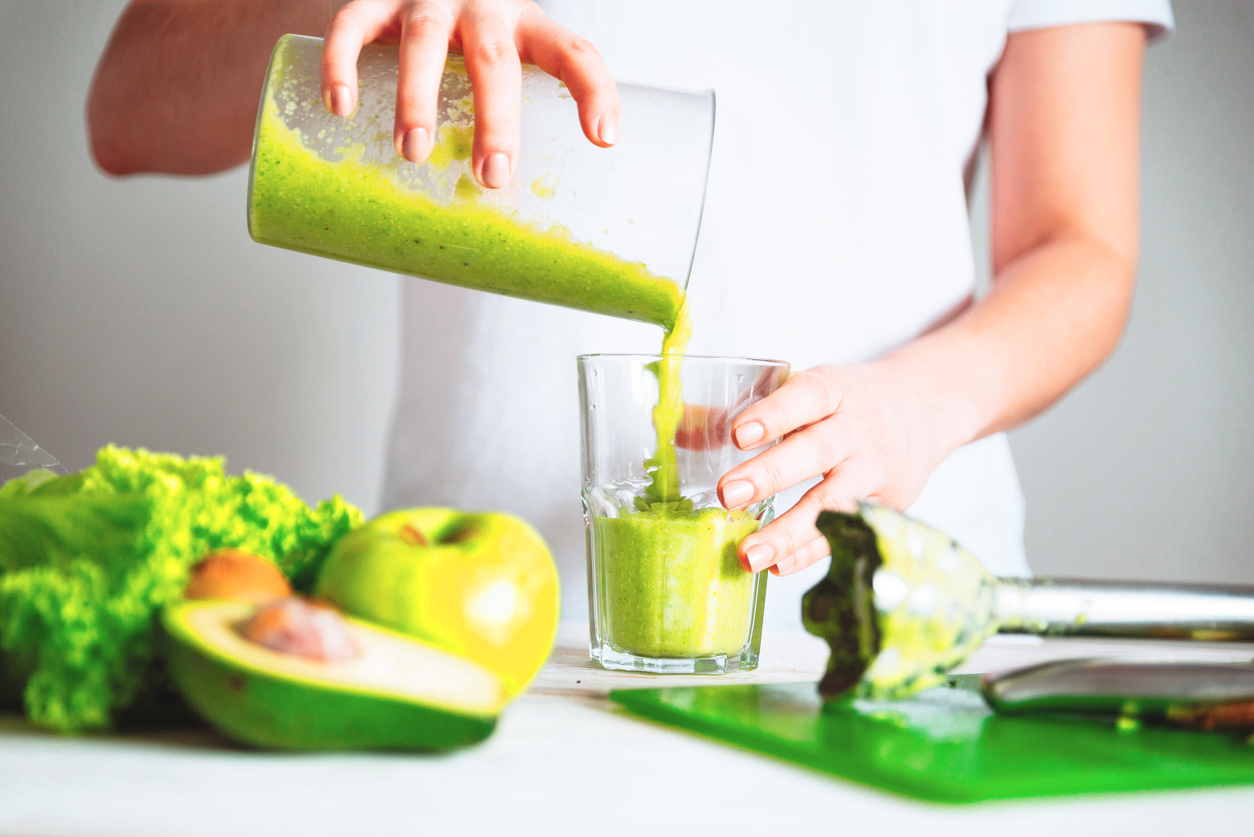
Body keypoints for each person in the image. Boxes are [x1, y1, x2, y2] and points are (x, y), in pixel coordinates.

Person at [87, 0, 1174, 627]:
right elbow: (128, 111)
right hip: (470, 617)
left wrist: (912, 409)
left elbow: (1080, 247)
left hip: (886, 610)